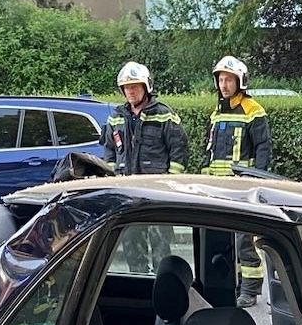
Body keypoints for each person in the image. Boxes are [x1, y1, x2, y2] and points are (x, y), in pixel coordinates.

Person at [101, 61, 187, 270]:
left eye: (135, 86)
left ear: (146, 87)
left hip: (156, 190)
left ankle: (161, 284)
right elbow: (109, 149)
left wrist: (169, 180)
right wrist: (112, 176)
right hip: (128, 192)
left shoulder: (164, 114)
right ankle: (139, 281)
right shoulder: (116, 117)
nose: (130, 91)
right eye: (127, 87)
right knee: (131, 242)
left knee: (161, 245)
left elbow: (179, 148)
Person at [202, 56, 272, 307]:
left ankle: (250, 289)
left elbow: (263, 148)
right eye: (221, 79)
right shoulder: (217, 113)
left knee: (245, 239)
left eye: (229, 79)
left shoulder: (253, 109)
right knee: (222, 240)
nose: (224, 84)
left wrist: (256, 180)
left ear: (239, 81)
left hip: (243, 187)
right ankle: (229, 286)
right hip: (218, 188)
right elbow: (209, 150)